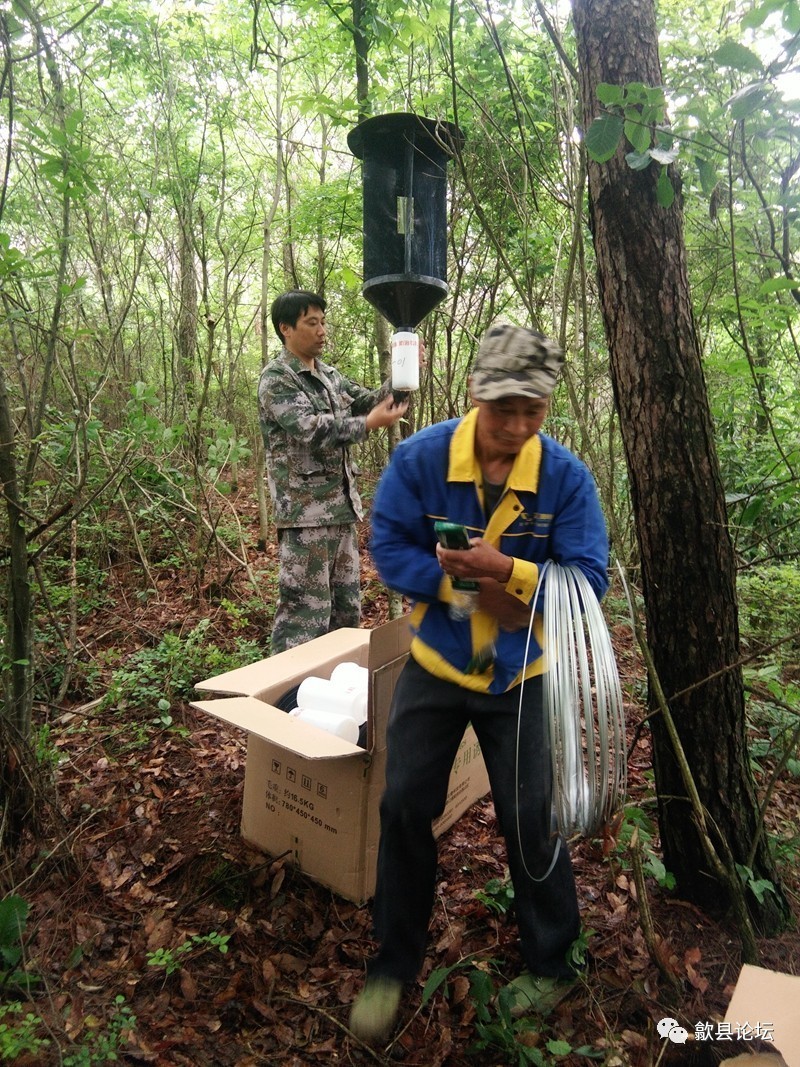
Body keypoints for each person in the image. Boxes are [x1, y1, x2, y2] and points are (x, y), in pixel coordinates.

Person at [349, 323, 609, 1043]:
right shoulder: (422, 458)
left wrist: (507, 571)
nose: (518, 427)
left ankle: (553, 961)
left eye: (534, 410)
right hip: (435, 665)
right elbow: (388, 540)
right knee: (404, 806)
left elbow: (588, 580)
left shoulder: (564, 478)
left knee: (532, 813)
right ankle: (393, 963)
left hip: (522, 673)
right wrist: (450, 584)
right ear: (474, 394)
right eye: (504, 410)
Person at [259, 290, 409, 653]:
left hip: (340, 511)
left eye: (323, 322)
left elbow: (370, 401)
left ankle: (334, 691)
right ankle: (286, 699)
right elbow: (310, 428)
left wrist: (405, 371)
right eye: (312, 323)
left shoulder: (328, 375)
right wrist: (367, 424)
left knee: (345, 613)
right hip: (304, 516)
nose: (322, 330)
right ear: (286, 329)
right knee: (303, 618)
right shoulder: (277, 379)